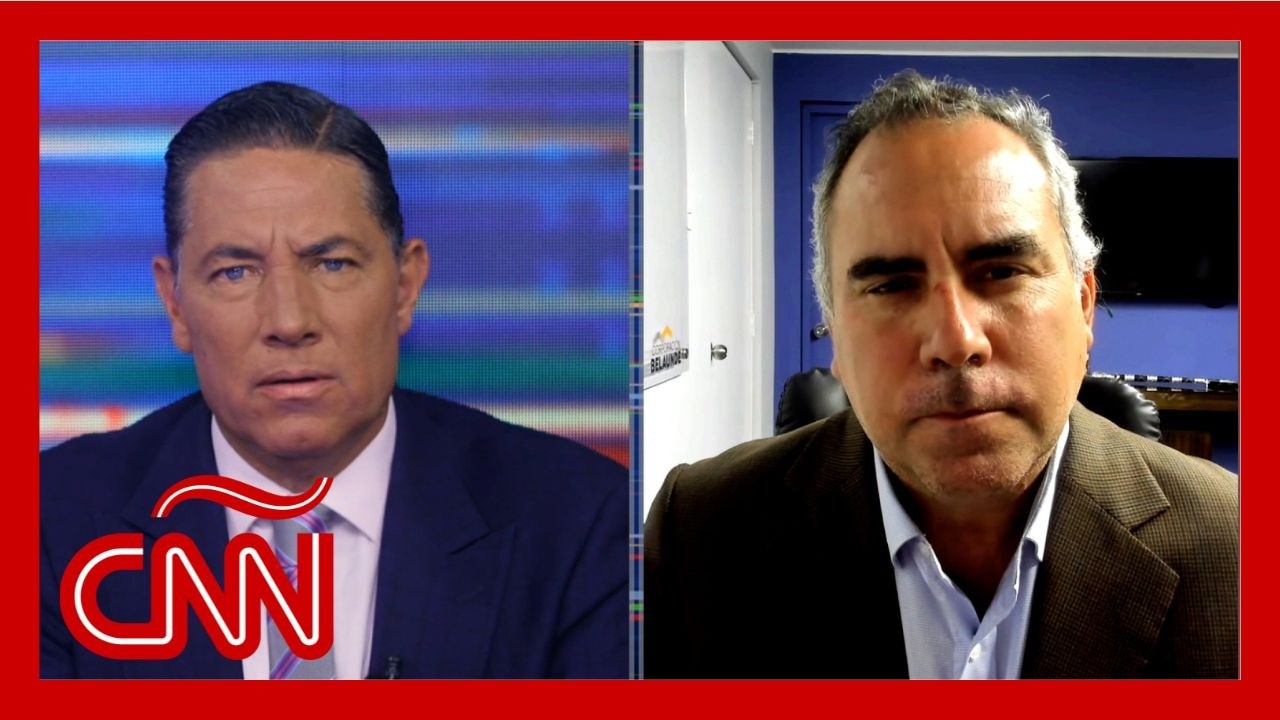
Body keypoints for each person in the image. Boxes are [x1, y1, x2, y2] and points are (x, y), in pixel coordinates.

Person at [644, 70, 1238, 679]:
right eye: (890, 285)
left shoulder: (1238, 546)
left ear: (1084, 305)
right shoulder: (699, 533)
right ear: (836, 334)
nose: (956, 341)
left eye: (1001, 272)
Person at [41, 81, 628, 679]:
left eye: (332, 264)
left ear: (405, 286)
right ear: (175, 303)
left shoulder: (577, 521)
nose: (289, 321)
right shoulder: (49, 526)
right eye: (235, 271)